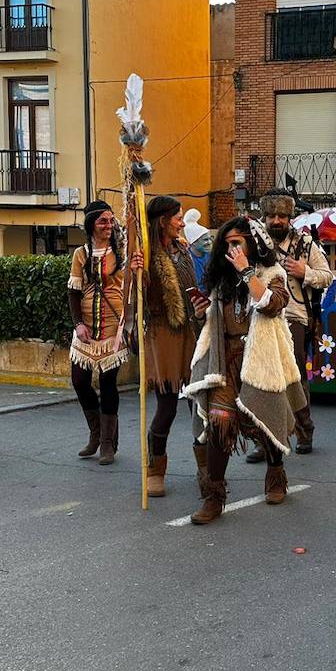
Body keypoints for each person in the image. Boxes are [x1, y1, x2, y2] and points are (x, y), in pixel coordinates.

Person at [182, 217, 306, 524]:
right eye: (226, 243)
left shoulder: (273, 273)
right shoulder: (220, 281)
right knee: (219, 423)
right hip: (226, 362)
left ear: (252, 243)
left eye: (237, 242)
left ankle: (275, 472)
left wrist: (246, 271)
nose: (230, 248)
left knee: (266, 421)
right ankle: (214, 496)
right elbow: (212, 326)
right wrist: (200, 314)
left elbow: (271, 304)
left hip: (262, 361)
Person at [129, 195, 205, 498]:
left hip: (190, 329)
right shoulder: (145, 254)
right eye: (177, 216)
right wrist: (136, 271)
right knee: (167, 405)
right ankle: (155, 470)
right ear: (163, 220)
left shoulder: (182, 248)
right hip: (162, 334)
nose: (180, 221)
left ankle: (205, 467)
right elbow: (137, 298)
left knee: (198, 402)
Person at [257, 189, 331, 456]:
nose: (276, 221)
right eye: (271, 215)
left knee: (294, 377)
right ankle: (265, 438)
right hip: (261, 320)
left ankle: (303, 429)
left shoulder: (306, 245)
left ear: (289, 218)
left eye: (281, 216)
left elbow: (327, 276)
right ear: (264, 217)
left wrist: (305, 272)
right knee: (261, 379)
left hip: (294, 318)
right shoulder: (255, 246)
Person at [68, 201, 128, 465]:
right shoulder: (81, 254)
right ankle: (95, 433)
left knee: (107, 383)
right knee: (80, 381)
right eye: (103, 221)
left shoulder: (123, 251)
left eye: (111, 220)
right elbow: (73, 291)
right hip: (87, 328)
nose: (108, 225)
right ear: (92, 224)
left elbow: (135, 283)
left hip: (113, 327)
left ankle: (107, 443)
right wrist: (77, 323)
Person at [183, 208, 212, 287]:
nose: (209, 242)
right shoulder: (185, 259)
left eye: (210, 238)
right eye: (205, 240)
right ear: (194, 242)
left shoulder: (213, 256)